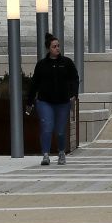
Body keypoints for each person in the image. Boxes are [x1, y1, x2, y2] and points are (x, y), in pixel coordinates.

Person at [27, 33, 79, 166]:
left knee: (61, 130)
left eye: (58, 46)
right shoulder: (42, 65)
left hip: (63, 102)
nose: (57, 48)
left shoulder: (66, 63)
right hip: (45, 102)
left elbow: (74, 78)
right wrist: (29, 101)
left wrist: (74, 94)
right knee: (47, 127)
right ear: (48, 49)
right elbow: (34, 83)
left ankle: (61, 153)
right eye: (54, 46)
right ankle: (45, 155)